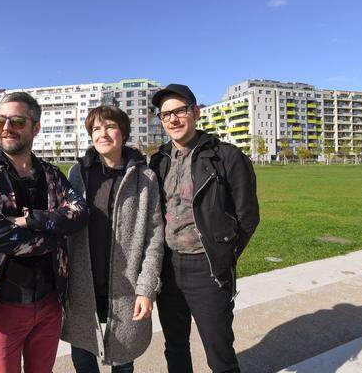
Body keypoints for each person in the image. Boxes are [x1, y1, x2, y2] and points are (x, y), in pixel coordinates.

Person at [0, 92, 89, 373]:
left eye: (16, 121)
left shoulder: (51, 174)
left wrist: (31, 221)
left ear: (35, 127)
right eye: (0, 122)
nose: (6, 128)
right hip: (3, 306)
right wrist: (54, 236)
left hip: (49, 302)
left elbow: (80, 213)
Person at [148, 84, 260, 373]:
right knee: (174, 346)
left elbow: (248, 217)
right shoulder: (158, 160)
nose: (172, 119)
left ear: (195, 112)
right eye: (165, 115)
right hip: (168, 268)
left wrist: (224, 254)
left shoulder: (227, 157)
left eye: (179, 111)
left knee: (219, 350)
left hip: (207, 267)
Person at [62, 105, 164, 372]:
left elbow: (154, 238)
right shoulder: (78, 175)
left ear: (123, 132)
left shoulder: (145, 178)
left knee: (123, 359)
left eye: (109, 126)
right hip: (83, 285)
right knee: (83, 358)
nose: (102, 134)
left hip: (125, 288)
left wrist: (146, 288)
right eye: (96, 129)